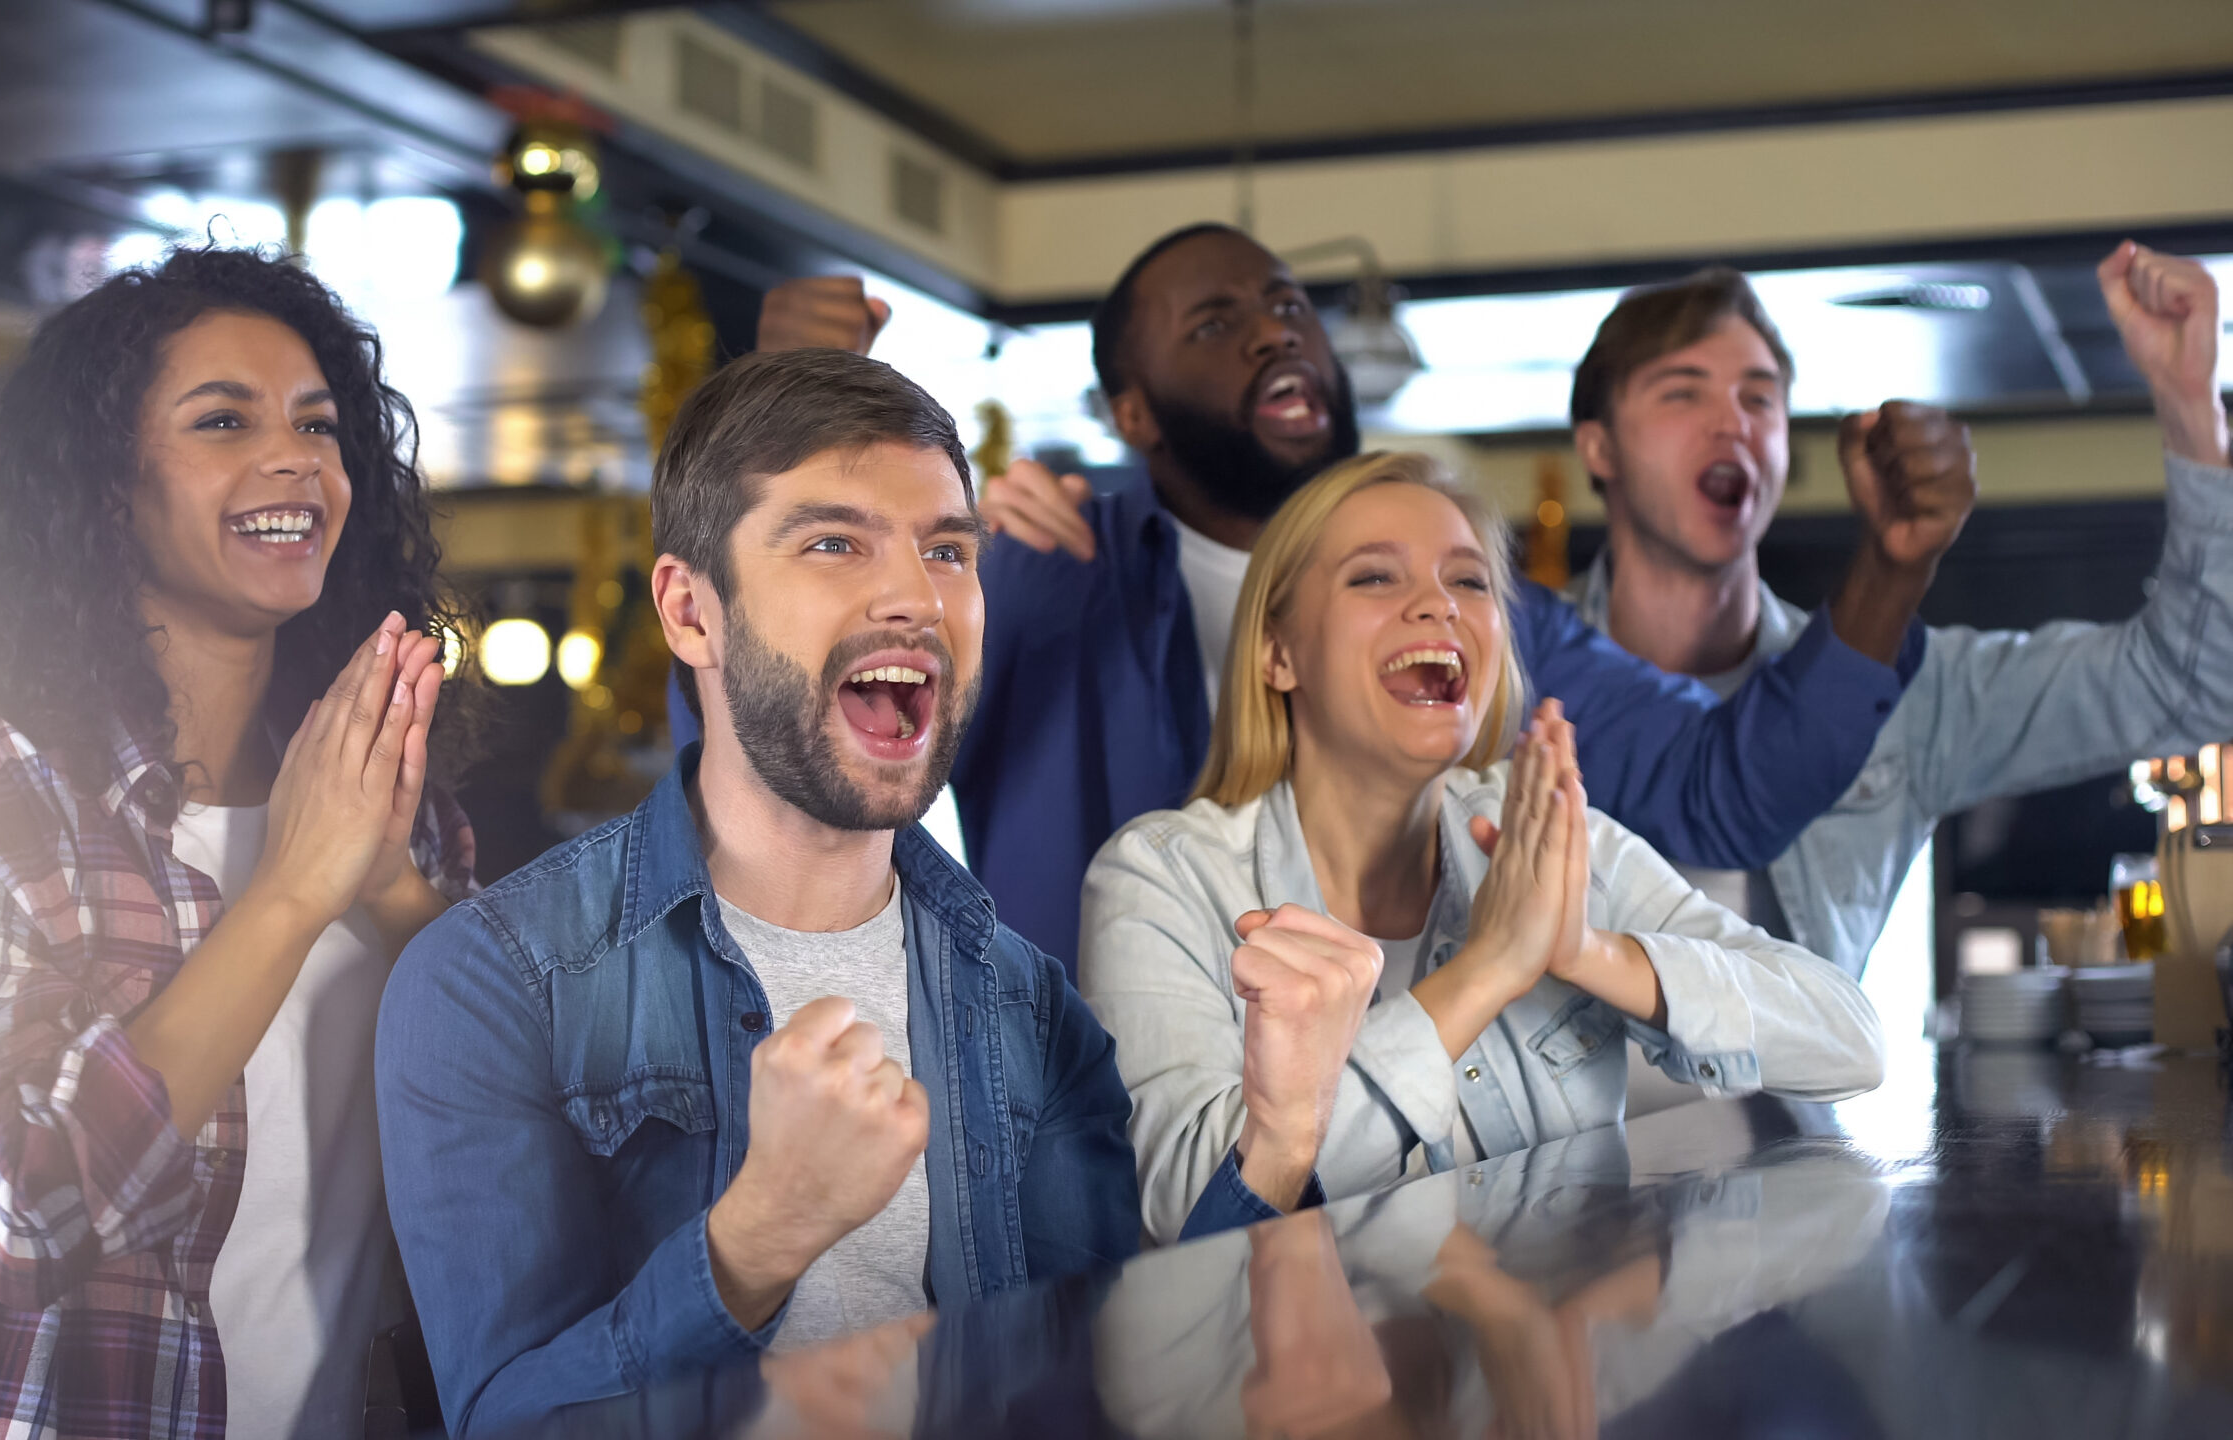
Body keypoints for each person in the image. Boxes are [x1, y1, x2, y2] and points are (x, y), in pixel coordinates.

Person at [376, 349, 1219, 1436]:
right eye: (833, 542)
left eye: (947, 551)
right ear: (691, 614)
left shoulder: (1034, 1010)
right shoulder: (491, 984)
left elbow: (1104, 1388)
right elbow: (506, 1424)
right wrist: (758, 1238)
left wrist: (1275, 1154)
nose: (916, 597)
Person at [757, 228, 1937, 968]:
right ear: (1133, 414)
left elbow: (1727, 791)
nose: (1275, 332)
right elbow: (784, 761)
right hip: (1098, 1198)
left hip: (1396, 1166)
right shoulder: (1039, 573)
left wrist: (1890, 567)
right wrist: (792, 431)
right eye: (1215, 324)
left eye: (1287, 306)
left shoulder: (1468, 609)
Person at [0, 248, 473, 1440]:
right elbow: (12, 1218)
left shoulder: (387, 790)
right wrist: (286, 895)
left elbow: (522, 1142)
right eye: (222, 419)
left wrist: (391, 890)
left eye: (319, 426)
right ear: (104, 487)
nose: (295, 457)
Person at [1076, 452, 1883, 1243]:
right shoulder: (1161, 879)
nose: (1440, 606)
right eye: (1376, 577)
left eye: (1469, 581)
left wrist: (1584, 950)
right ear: (1278, 654)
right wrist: (1489, 969)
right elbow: (1186, 1209)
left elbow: (1851, 1040)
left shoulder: (1551, 838)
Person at [1564, 242, 2233, 976]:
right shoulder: (1506, 676)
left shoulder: (1902, 694)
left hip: (1793, 1094)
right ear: (1598, 447)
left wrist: (2189, 402)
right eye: (1682, 392)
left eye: (1759, 398)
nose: (1733, 424)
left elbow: (2195, 685)